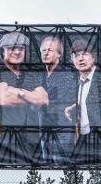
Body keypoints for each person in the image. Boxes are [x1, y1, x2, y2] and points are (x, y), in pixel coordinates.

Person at [64, 39, 101, 158]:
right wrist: (75, 106)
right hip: (84, 140)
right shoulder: (78, 82)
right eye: (76, 56)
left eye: (84, 54)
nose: (80, 59)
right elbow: (89, 102)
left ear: (93, 57)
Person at [32, 34, 78, 163]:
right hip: (44, 129)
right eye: (43, 50)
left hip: (61, 131)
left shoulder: (66, 74)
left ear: (59, 54)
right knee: (46, 166)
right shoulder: (40, 75)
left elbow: (59, 101)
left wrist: (37, 98)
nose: (46, 53)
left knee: (60, 165)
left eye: (50, 50)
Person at [0, 31, 46, 127]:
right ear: (3, 51)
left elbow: (42, 99)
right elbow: (4, 99)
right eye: (12, 48)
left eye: (21, 48)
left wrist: (16, 92)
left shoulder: (30, 73)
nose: (17, 52)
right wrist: (32, 98)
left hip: (26, 130)